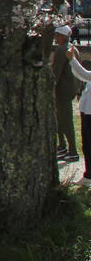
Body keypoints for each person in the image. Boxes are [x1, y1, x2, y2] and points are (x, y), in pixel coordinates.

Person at [65, 44, 91, 186]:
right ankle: (88, 175)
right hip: (87, 110)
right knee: (87, 145)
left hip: (90, 112)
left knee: (88, 145)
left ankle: (89, 176)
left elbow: (85, 75)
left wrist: (72, 59)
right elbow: (83, 76)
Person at [53, 25, 80, 161]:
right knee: (61, 118)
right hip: (71, 89)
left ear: (63, 36)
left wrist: (50, 88)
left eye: (57, 35)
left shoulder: (61, 51)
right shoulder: (73, 48)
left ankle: (72, 150)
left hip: (62, 90)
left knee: (65, 120)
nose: (55, 38)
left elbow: (56, 73)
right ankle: (63, 146)